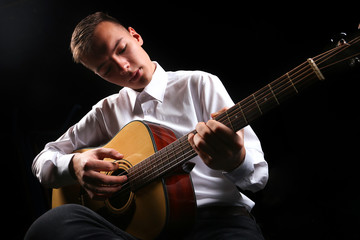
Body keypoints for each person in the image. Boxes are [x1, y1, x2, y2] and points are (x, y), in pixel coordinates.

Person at [26, 12, 268, 240]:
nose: (123, 67)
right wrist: (74, 164)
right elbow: (42, 161)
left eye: (122, 49)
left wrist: (235, 161)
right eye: (106, 69)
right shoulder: (105, 112)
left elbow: (258, 177)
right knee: (50, 224)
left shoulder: (199, 83)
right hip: (142, 232)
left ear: (136, 36)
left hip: (218, 223)